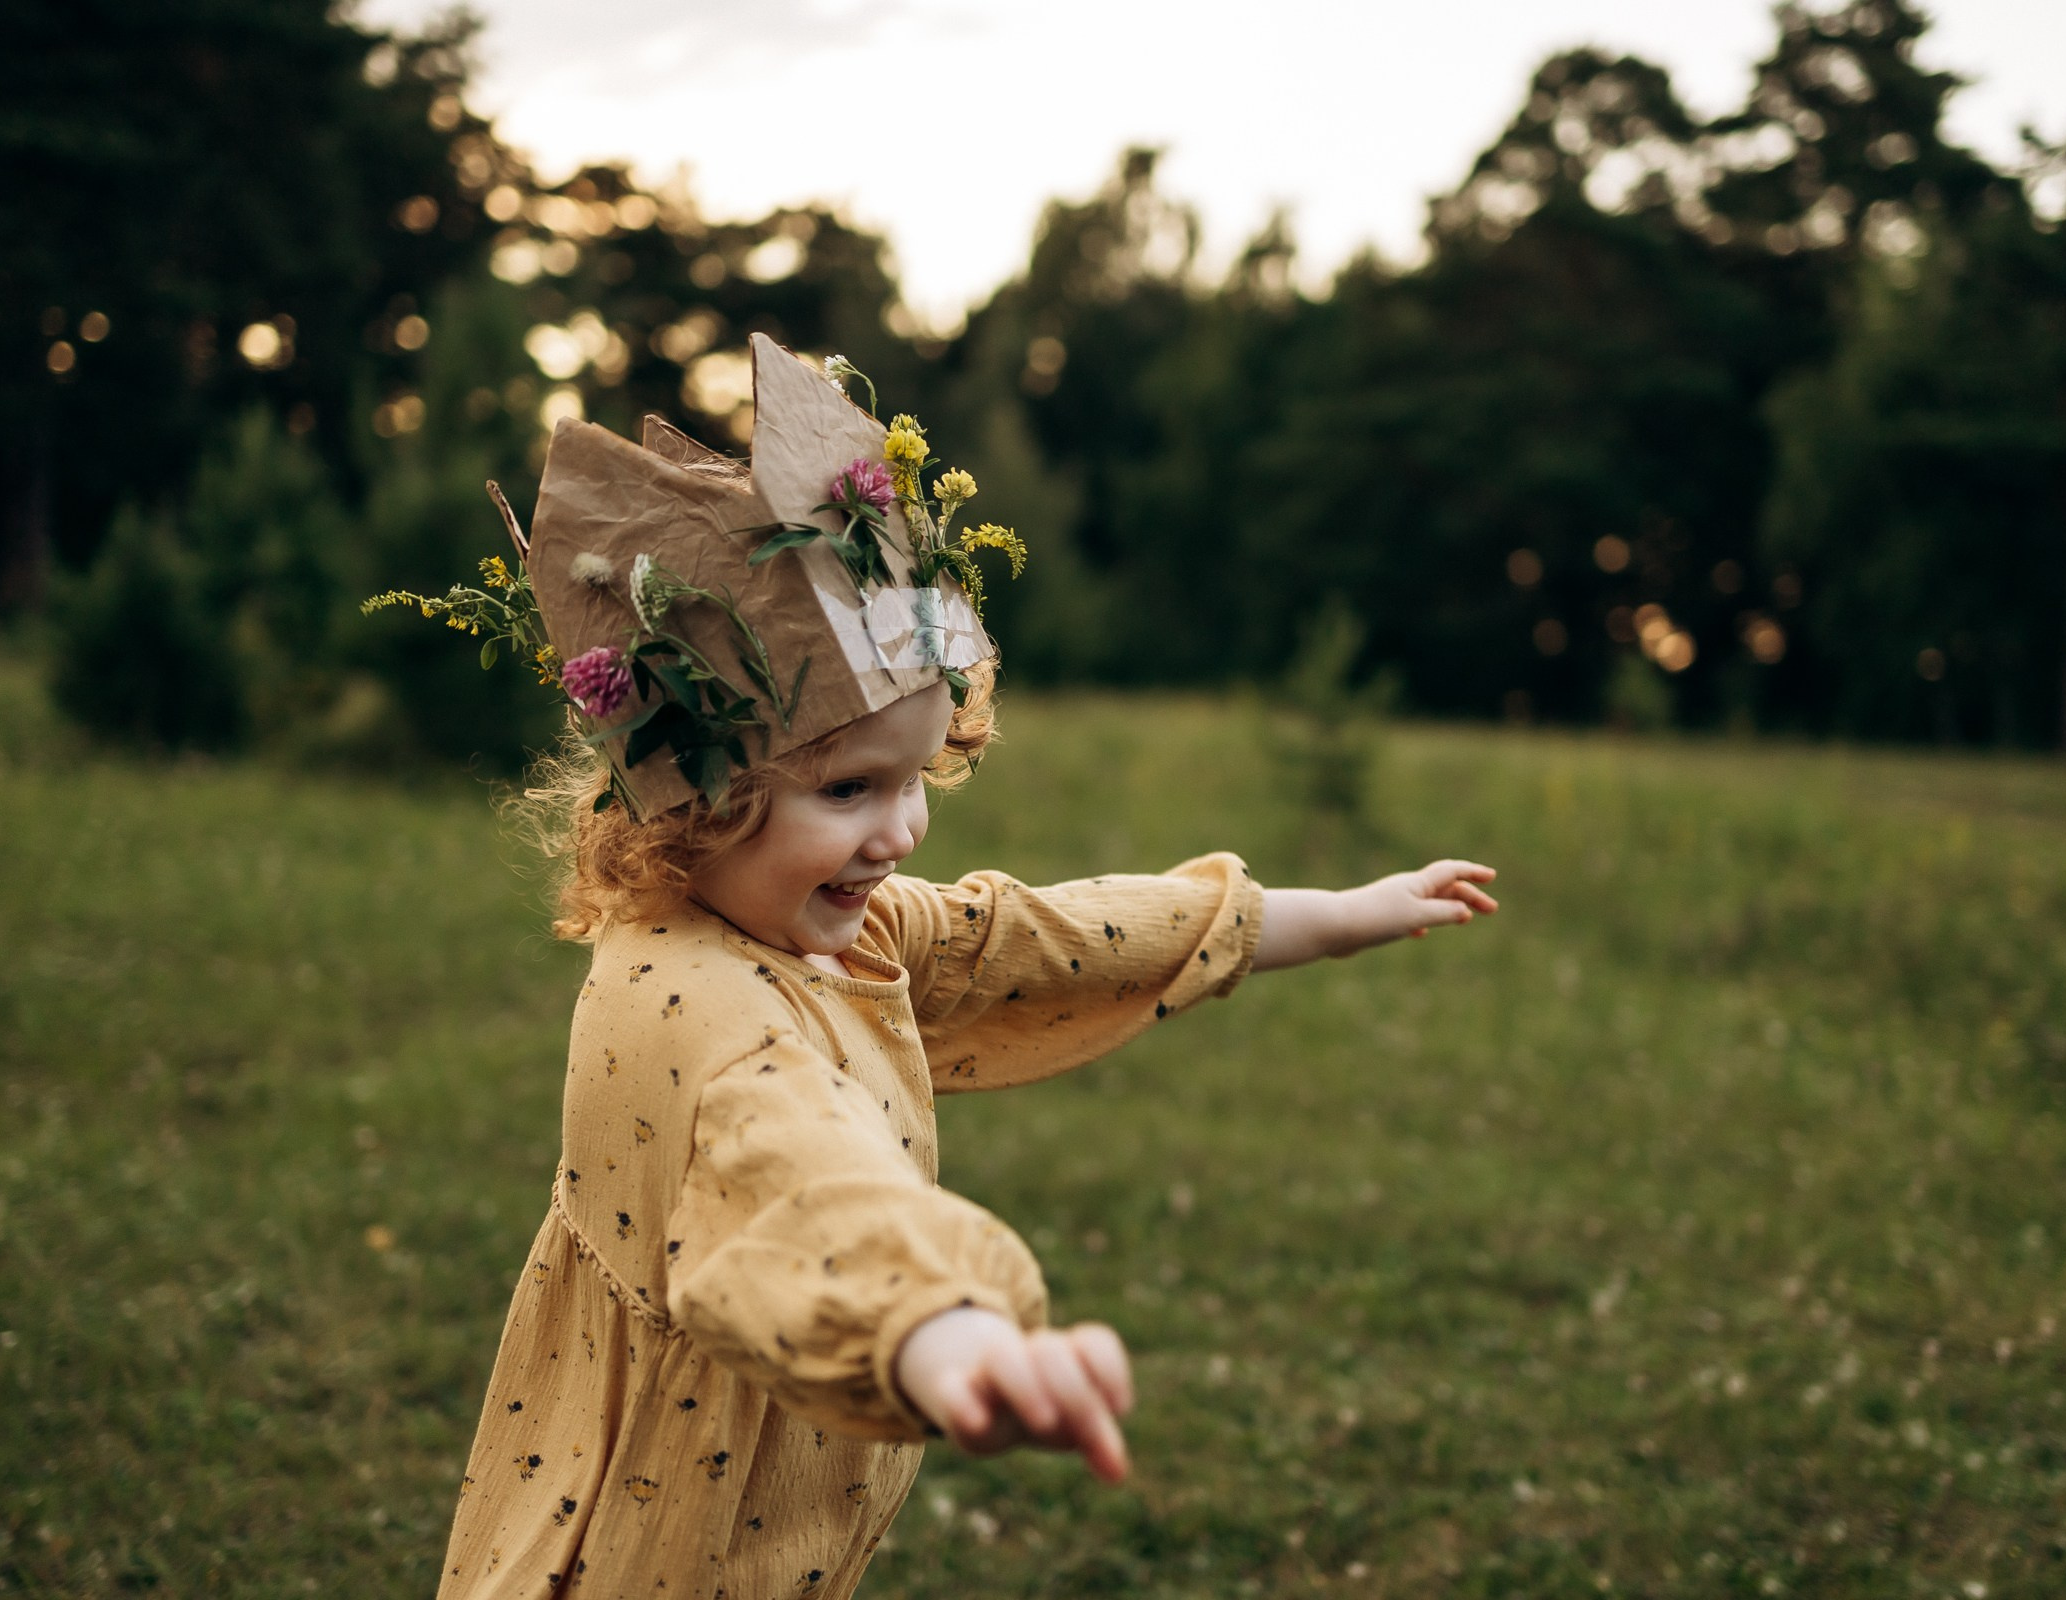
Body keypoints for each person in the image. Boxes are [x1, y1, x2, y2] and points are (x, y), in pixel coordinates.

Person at [371, 337, 1497, 1599]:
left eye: (914, 779)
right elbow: (807, 1187)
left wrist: (1322, 913)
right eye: (850, 789)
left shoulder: (828, 930)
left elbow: (1043, 937)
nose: (901, 830)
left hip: (752, 1495)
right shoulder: (707, 1014)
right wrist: (947, 1327)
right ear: (697, 796)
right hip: (666, 1541)